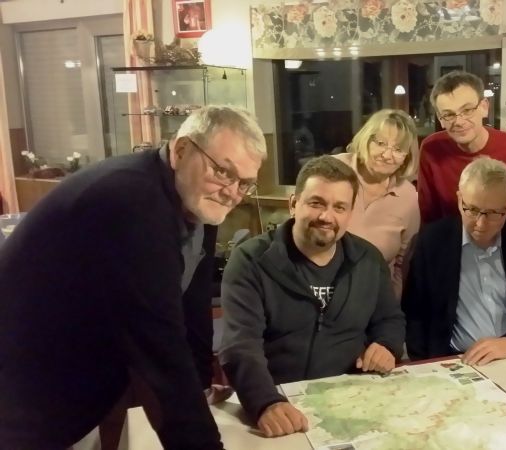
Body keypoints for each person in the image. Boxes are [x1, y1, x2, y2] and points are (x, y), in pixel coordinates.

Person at [0, 105, 266, 448]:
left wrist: (199, 384)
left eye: (245, 183)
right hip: (23, 385)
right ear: (181, 150)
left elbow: (191, 309)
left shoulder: (196, 201)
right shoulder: (133, 204)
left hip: (72, 376)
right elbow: (161, 349)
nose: (232, 192)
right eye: (222, 172)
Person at [219, 155, 405, 438]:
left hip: (352, 402)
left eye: (339, 207)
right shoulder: (250, 261)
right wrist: (265, 402)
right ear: (294, 204)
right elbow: (239, 346)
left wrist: (387, 345)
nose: (327, 217)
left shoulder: (368, 259)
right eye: (316, 203)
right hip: (278, 399)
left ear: (350, 213)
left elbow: (389, 318)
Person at [403, 157, 506, 364]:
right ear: (459, 198)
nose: (480, 223)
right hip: (455, 360)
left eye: (493, 213)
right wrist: (424, 364)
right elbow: (414, 312)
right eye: (472, 209)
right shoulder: (433, 241)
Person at [417, 70, 506, 226]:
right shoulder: (431, 149)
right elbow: (428, 210)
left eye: (467, 110)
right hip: (454, 241)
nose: (459, 121)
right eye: (449, 114)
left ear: (484, 107)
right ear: (440, 119)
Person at [333, 109, 420, 298]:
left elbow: (401, 262)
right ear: (366, 139)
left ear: (407, 156)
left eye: (398, 149)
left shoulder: (408, 195)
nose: (387, 155)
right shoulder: (333, 170)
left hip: (373, 303)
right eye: (380, 143)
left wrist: (391, 306)